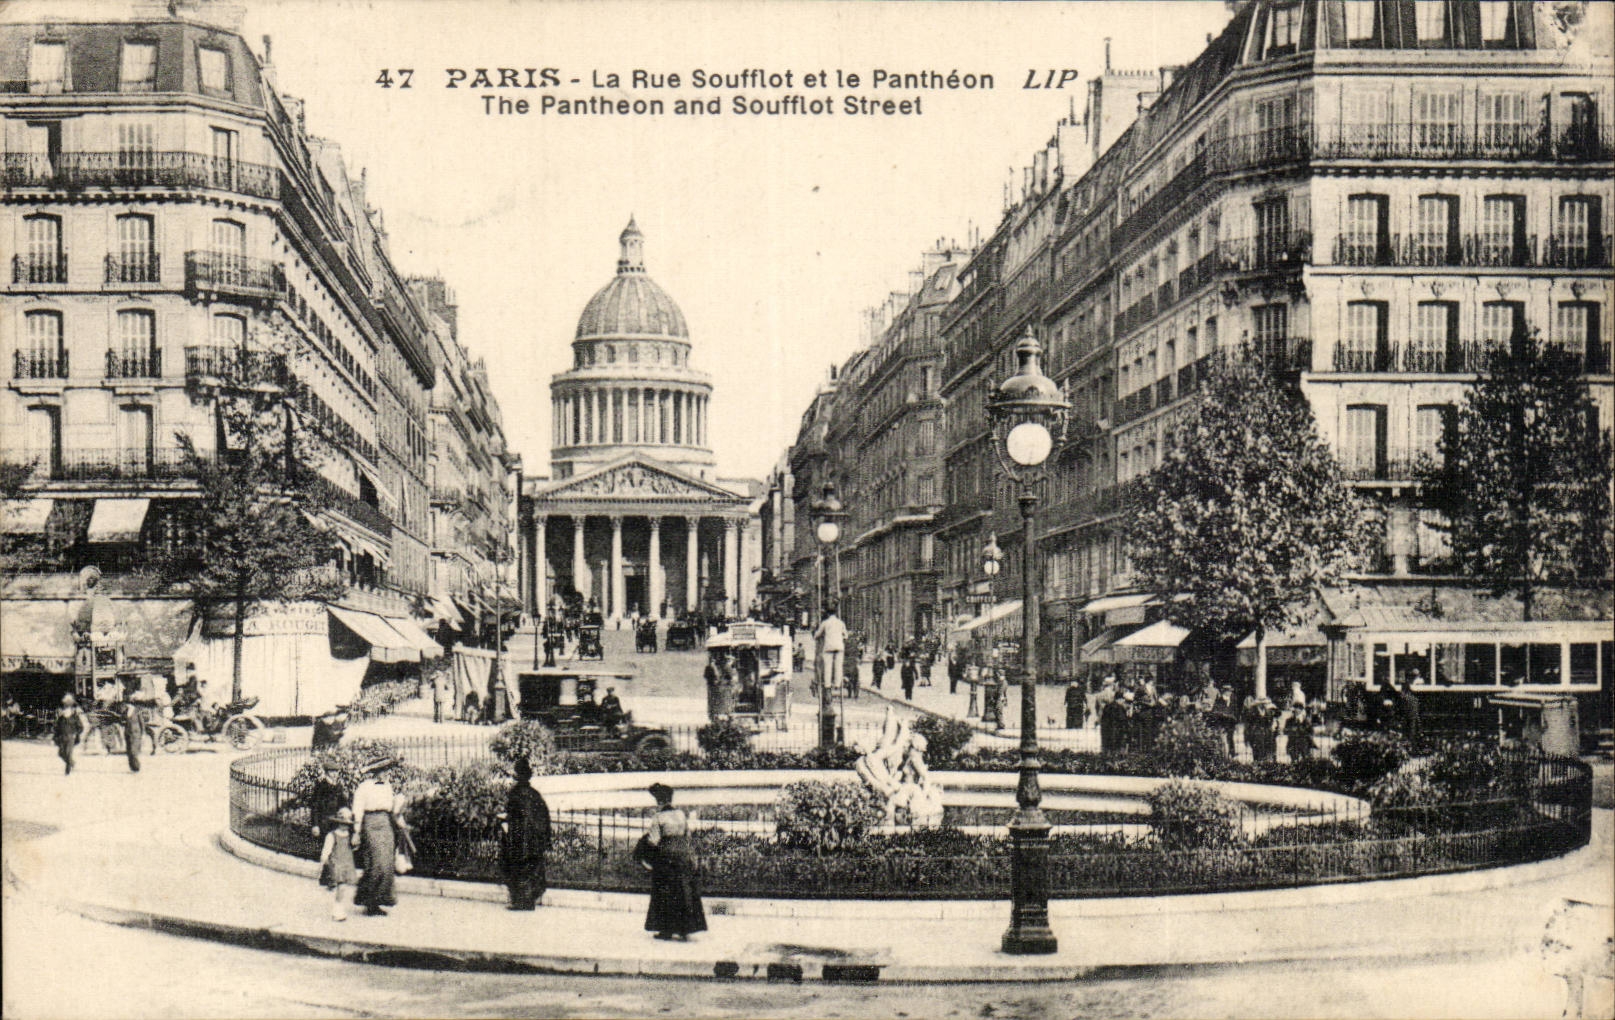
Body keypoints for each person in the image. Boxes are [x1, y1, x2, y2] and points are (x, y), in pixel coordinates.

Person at [638, 783, 707, 941]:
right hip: (682, 855)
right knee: (683, 890)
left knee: (665, 892)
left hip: (666, 856)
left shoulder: (658, 817)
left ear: (659, 801)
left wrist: (644, 846)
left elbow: (654, 840)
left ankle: (666, 930)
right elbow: (687, 835)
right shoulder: (681, 814)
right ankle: (684, 929)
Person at [351, 756, 406, 916]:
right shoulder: (364, 787)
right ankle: (369, 902)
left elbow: (391, 808)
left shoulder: (388, 787)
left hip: (386, 824)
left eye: (386, 771)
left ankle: (379, 902)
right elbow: (358, 809)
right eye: (382, 771)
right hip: (370, 823)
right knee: (376, 863)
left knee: (387, 863)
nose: (385, 774)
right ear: (375, 772)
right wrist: (356, 831)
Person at [500, 758, 552, 910]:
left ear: (517, 776)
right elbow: (543, 817)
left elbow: (512, 815)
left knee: (518, 868)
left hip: (518, 837)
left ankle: (520, 901)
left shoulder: (515, 794)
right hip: (533, 839)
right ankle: (528, 900)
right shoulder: (535, 794)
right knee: (531, 868)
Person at [319, 806, 359, 921]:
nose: (344, 826)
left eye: (347, 824)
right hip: (337, 863)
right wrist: (324, 860)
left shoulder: (349, 836)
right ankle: (337, 910)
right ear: (338, 823)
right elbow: (326, 850)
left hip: (346, 863)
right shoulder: (332, 835)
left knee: (343, 888)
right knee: (341, 887)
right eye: (342, 823)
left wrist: (355, 843)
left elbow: (353, 848)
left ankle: (338, 908)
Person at [813, 605, 846, 699]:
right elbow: (846, 635)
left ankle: (827, 685)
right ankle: (837, 684)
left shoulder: (825, 623)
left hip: (829, 647)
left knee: (828, 665)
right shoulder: (841, 623)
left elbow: (817, 634)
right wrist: (841, 638)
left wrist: (816, 635)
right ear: (835, 613)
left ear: (828, 614)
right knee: (838, 665)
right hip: (839, 646)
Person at [53, 693, 85, 775]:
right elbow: (57, 728)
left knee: (68, 753)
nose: (65, 710)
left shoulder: (74, 717)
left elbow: (81, 727)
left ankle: (67, 771)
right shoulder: (61, 718)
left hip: (71, 737)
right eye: (64, 708)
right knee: (61, 753)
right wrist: (55, 737)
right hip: (62, 737)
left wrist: (76, 734)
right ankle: (72, 763)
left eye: (67, 708)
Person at [121, 684, 145, 773]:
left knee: (134, 751)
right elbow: (122, 720)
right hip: (128, 732)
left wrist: (143, 734)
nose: (127, 706)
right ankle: (132, 767)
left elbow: (142, 723)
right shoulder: (126, 712)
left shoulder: (137, 711)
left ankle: (136, 767)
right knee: (129, 751)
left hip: (135, 733)